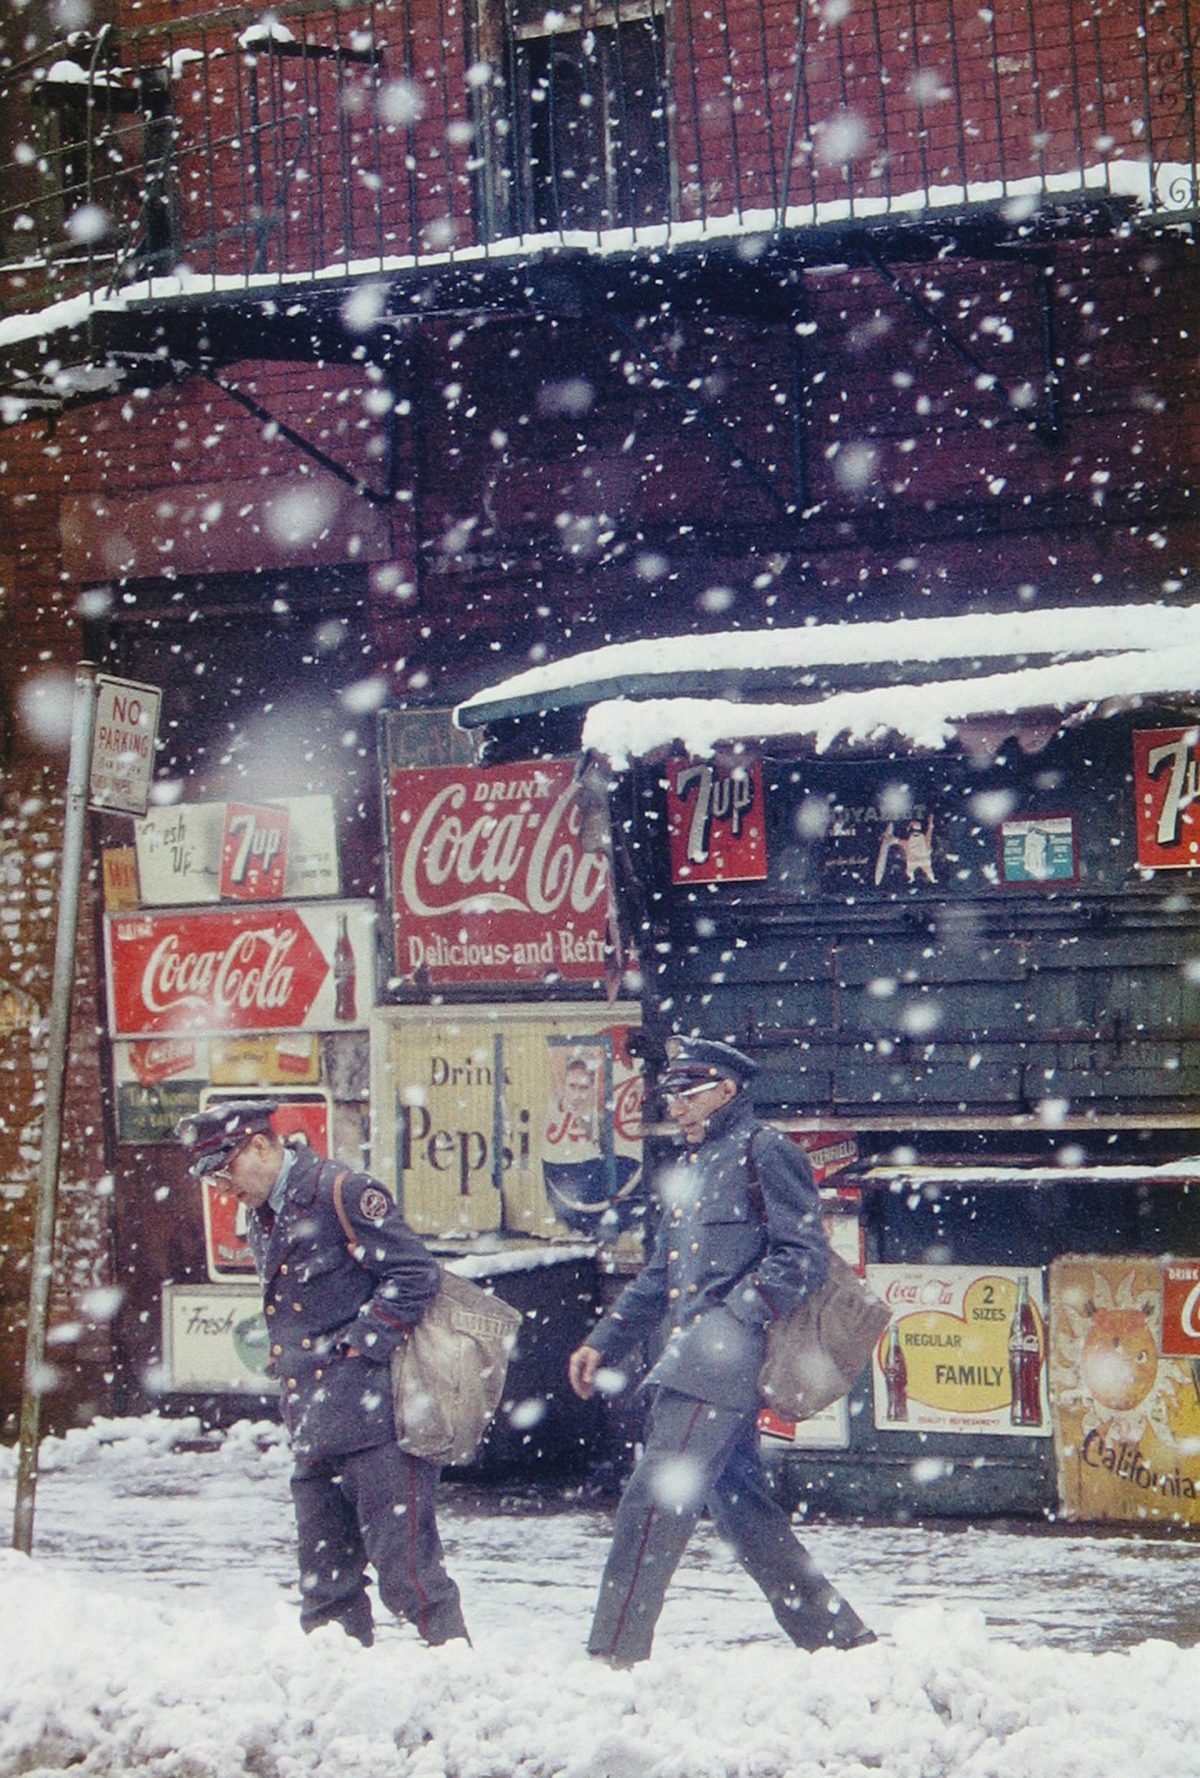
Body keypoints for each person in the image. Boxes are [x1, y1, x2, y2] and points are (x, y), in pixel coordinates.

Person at [567, 1037, 874, 1665]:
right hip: (693, 1357)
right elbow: (661, 1274)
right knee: (742, 1512)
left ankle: (613, 1654)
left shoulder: (766, 1152)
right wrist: (604, 1340)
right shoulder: (695, 1165)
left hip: (723, 1359)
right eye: (671, 1094)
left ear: (728, 1090)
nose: (677, 1105)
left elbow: (802, 1255)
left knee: (653, 1501)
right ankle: (841, 1640)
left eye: (690, 1092)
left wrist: (738, 1316)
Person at [174, 1100, 468, 1649]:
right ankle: (339, 1689)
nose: (220, 1188)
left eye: (223, 1171)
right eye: (211, 1177)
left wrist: (357, 1349)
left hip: (378, 1424)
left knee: (410, 1580)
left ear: (260, 1146)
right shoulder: (263, 1213)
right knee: (325, 1589)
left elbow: (413, 1274)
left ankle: (460, 1694)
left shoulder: (342, 1191)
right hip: (313, 1425)